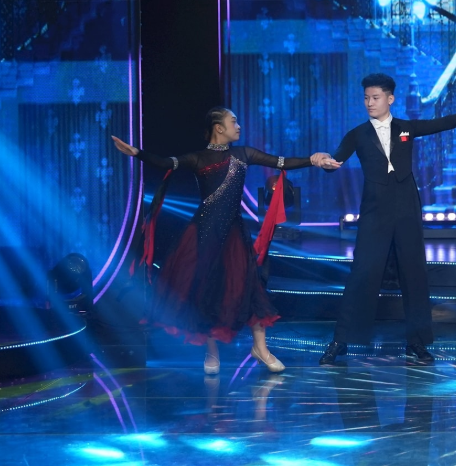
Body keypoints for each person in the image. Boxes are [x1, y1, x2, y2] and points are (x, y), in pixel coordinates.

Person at [111, 107, 339, 373]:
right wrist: (137, 153)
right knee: (207, 289)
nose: (238, 126)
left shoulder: (243, 154)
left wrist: (313, 159)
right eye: (234, 121)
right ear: (219, 128)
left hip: (234, 235)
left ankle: (261, 348)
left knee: (251, 286)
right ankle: (212, 351)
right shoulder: (198, 158)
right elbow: (164, 163)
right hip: (203, 233)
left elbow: (282, 162)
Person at [318, 73, 456, 366]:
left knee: (414, 274)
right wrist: (326, 163)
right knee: (362, 274)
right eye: (366, 98)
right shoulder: (357, 134)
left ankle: (416, 342)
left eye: (375, 97)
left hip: (406, 209)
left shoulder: (406, 128)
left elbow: (441, 123)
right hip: (374, 211)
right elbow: (337, 159)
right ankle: (340, 340)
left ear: (390, 99)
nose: (369, 103)